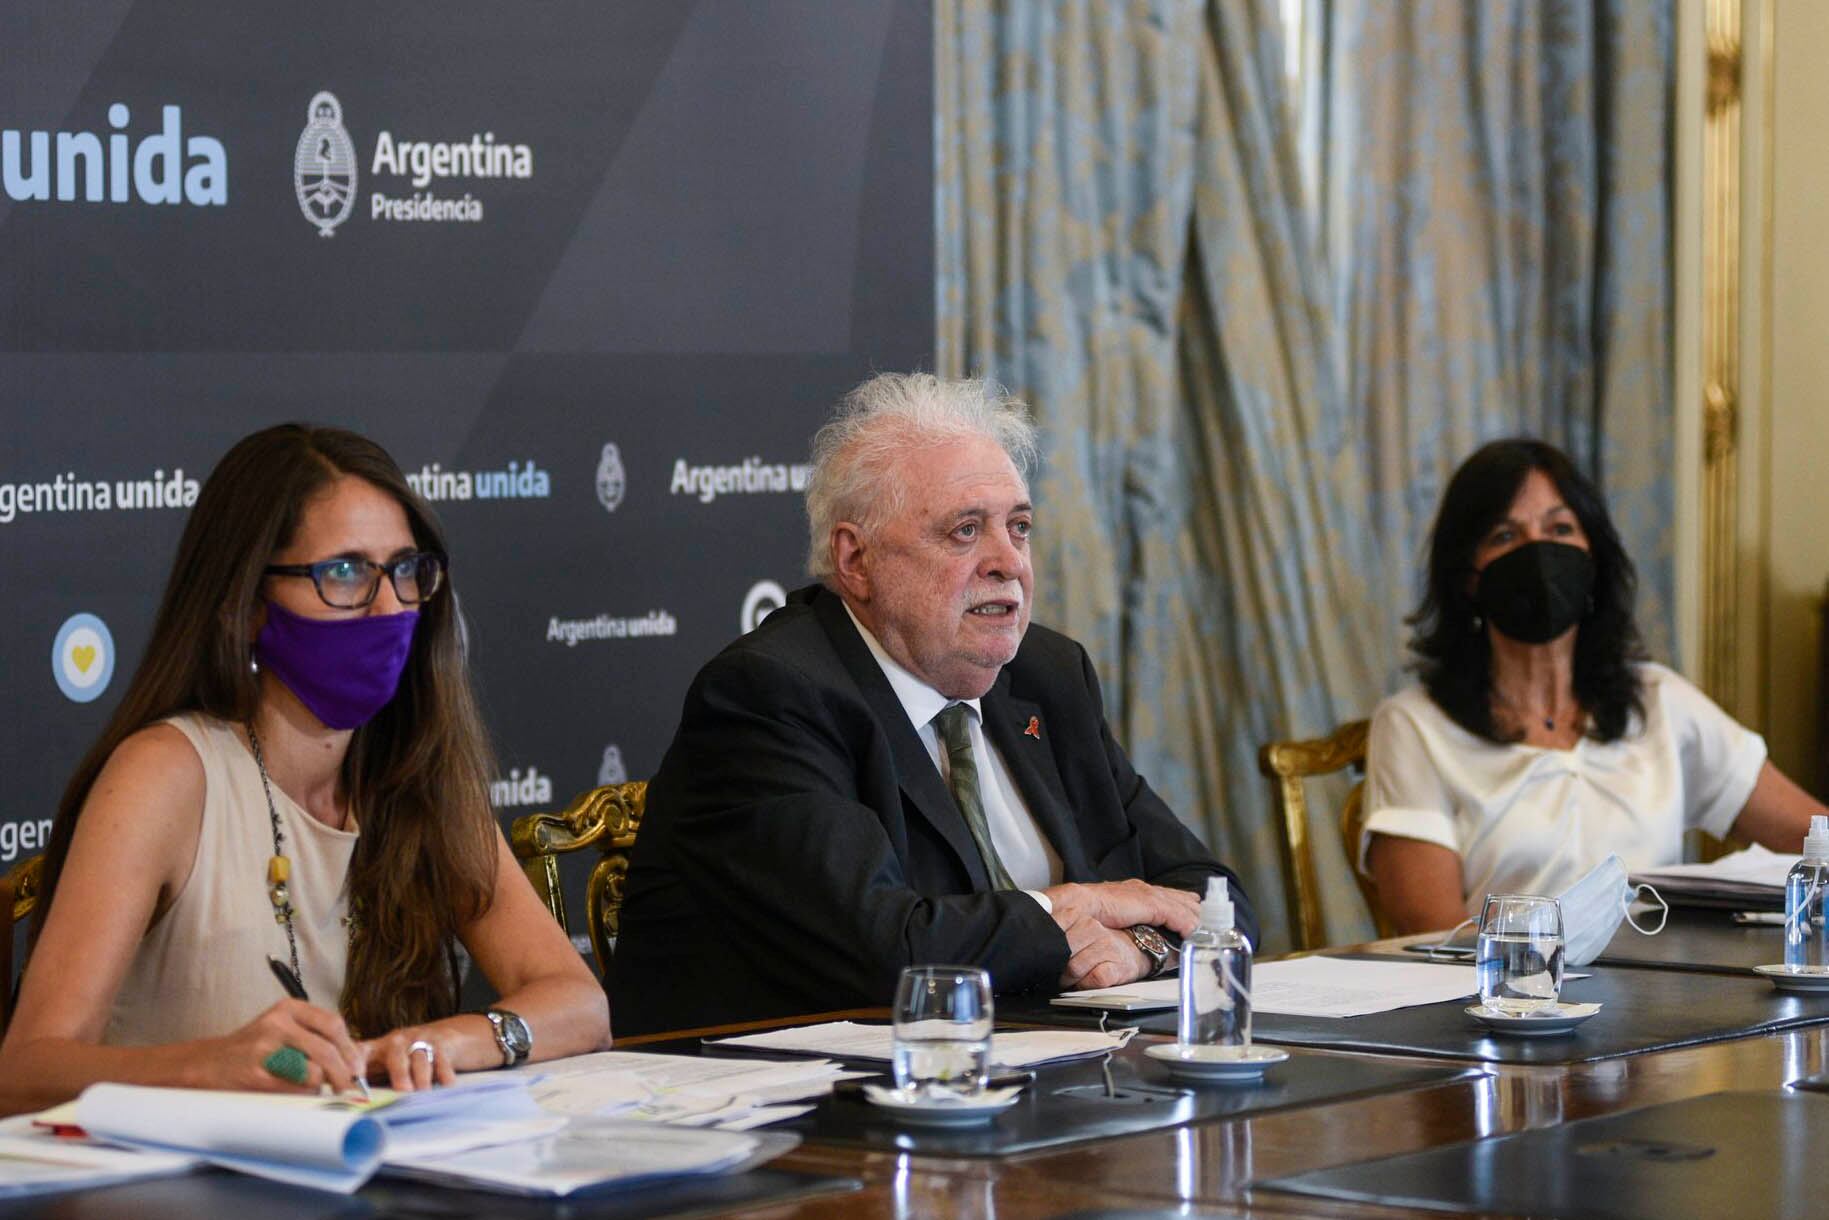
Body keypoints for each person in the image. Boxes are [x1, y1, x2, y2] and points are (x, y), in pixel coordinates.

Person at [610, 373, 1256, 1035]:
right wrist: (1075, 908)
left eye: (1019, 527)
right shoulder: (770, 697)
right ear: (855, 560)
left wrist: (1138, 947)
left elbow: (1213, 898)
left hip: (1036, 1065)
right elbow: (888, 952)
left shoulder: (1047, 674)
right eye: (965, 531)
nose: (1009, 562)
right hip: (802, 1083)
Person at [0, 425, 609, 1116]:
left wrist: (448, 1041)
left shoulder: (418, 769)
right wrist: (206, 1065)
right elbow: (23, 1071)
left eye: (404, 570)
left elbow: (580, 1004)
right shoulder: (165, 774)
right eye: (345, 573)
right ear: (246, 603)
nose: (389, 608)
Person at [1363, 438, 1826, 933]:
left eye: (1560, 529)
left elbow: (1814, 840)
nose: (1537, 553)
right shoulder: (1413, 726)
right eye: (1505, 535)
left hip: (1661, 980)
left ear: (1593, 558)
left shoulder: (1658, 700)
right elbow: (1434, 934)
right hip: (1507, 982)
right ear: (1467, 577)